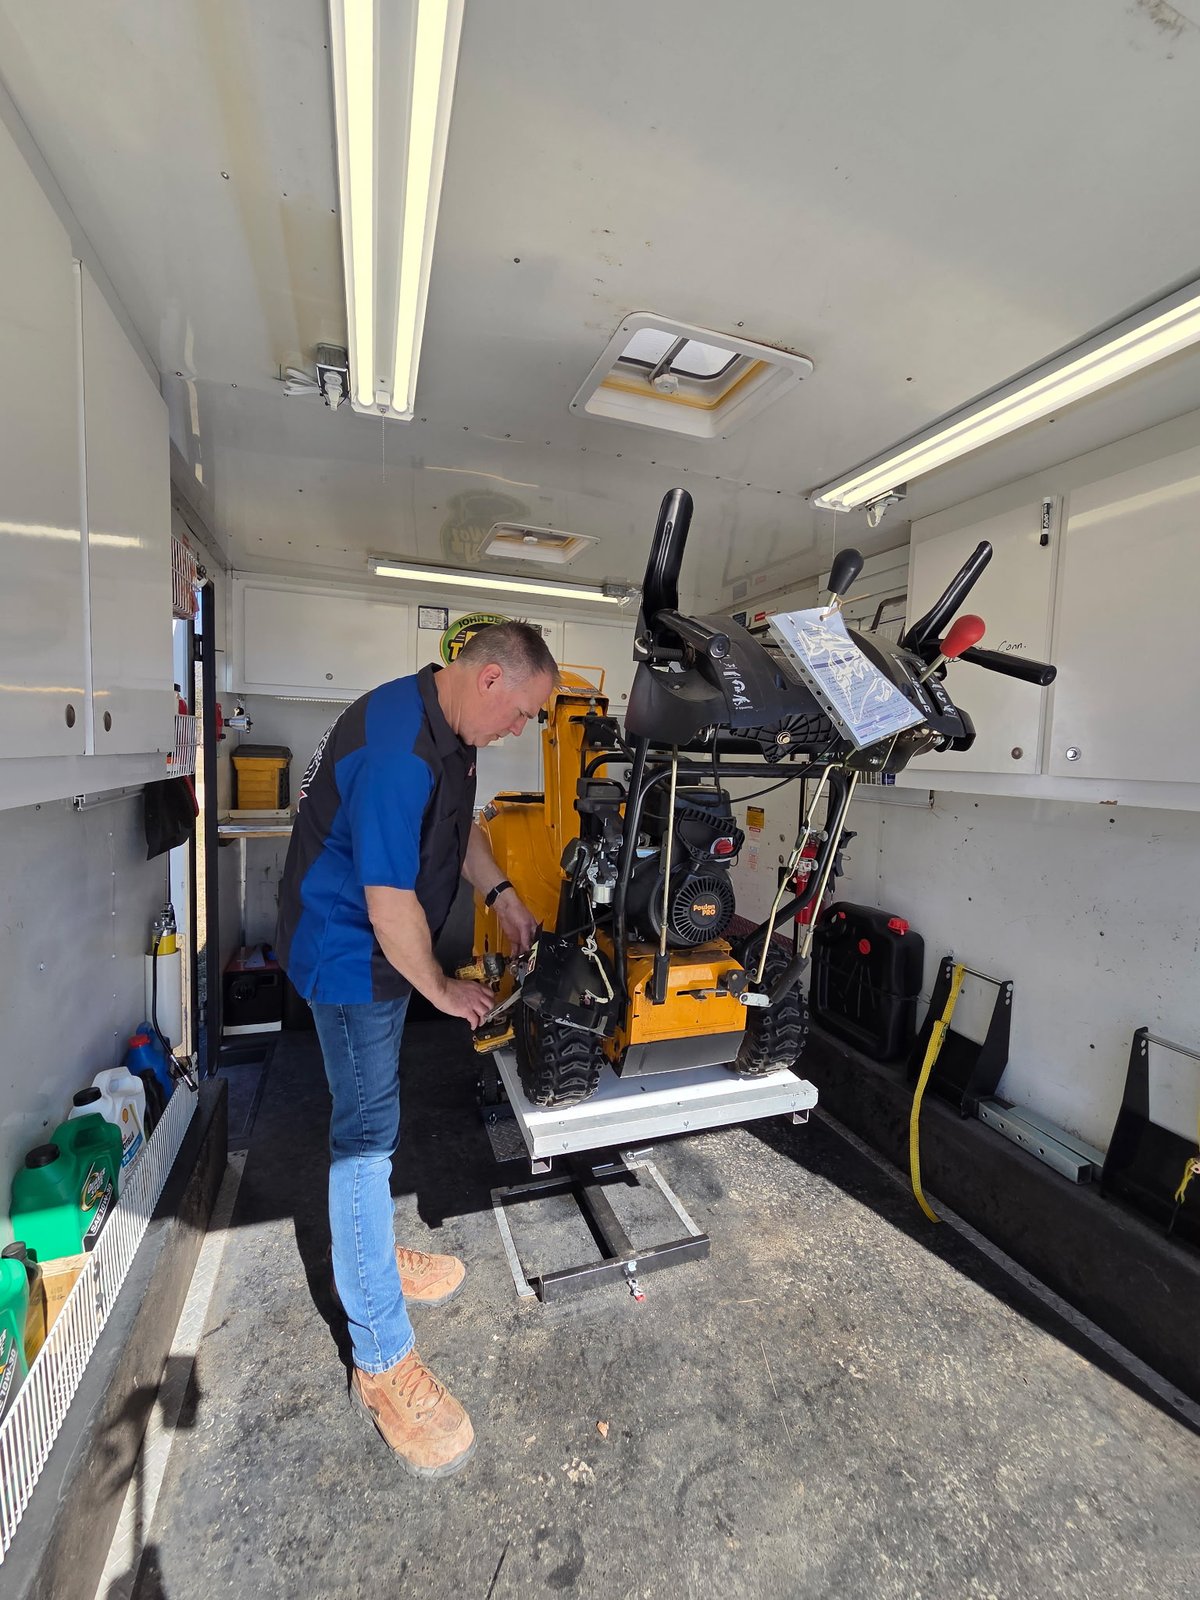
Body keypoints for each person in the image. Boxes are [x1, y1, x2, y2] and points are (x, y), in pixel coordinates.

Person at [276, 622, 557, 1477]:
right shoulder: (400, 749)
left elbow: (459, 831)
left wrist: (501, 892)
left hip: (379, 950)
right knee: (364, 1139)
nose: (521, 731)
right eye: (523, 714)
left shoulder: (445, 724)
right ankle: (382, 1361)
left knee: (375, 1115)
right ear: (491, 680)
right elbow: (391, 901)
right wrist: (444, 991)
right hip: (352, 953)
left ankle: (370, 1248)